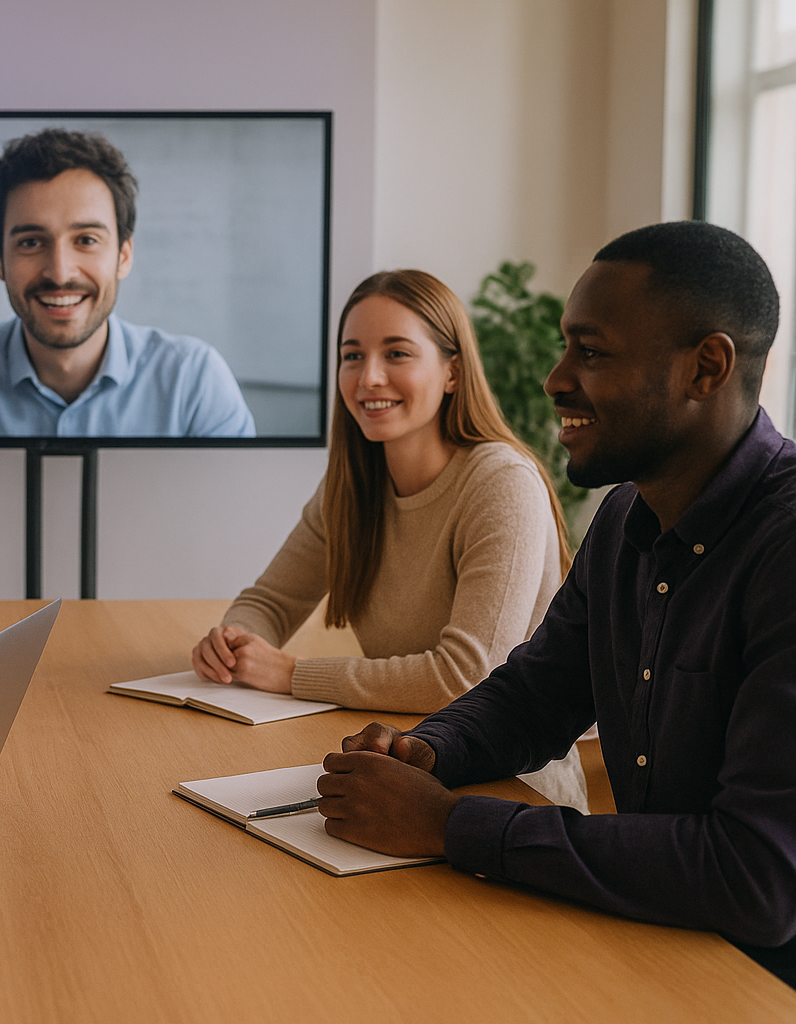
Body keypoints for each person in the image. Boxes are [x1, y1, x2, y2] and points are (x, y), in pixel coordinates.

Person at [316, 221, 796, 987]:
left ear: (706, 368)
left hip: (752, 980)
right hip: (655, 940)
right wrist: (427, 749)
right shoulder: (625, 519)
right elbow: (534, 696)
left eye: (592, 352)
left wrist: (447, 826)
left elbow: (757, 877)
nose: (555, 378)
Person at [191, 269, 585, 809]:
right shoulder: (353, 484)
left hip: (505, 793)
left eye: (396, 353)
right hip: (392, 768)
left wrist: (291, 674)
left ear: (452, 372)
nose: (368, 377)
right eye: (352, 356)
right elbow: (271, 601)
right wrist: (234, 642)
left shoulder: (502, 482)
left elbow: (466, 678)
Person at [0, 128, 255, 438]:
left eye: (86, 240)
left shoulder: (194, 383)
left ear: (124, 256)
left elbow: (236, 521)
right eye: (30, 242)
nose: (60, 273)